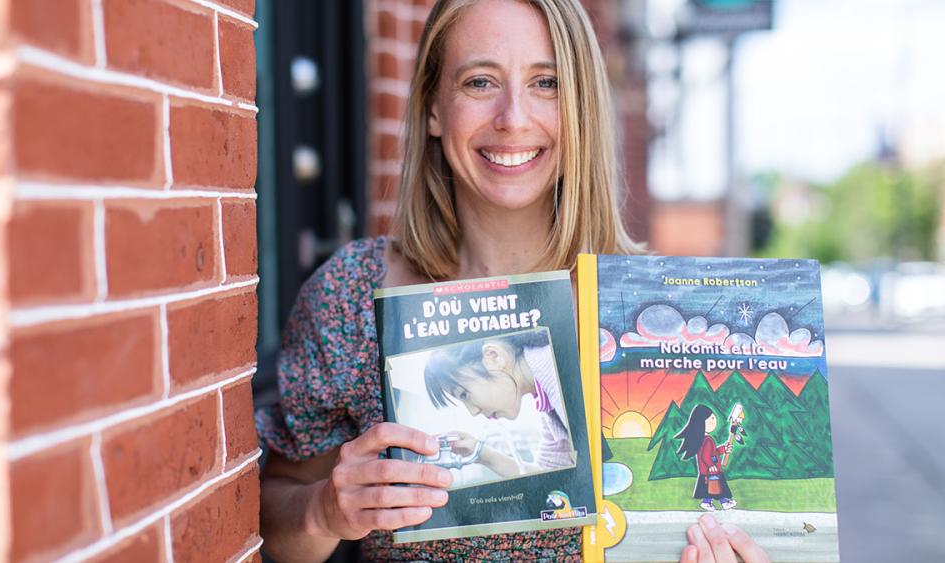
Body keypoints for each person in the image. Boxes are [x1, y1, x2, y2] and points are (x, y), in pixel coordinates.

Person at [257, 0, 770, 561]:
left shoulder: (656, 311)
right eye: (480, 81)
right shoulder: (354, 295)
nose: (513, 118)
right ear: (433, 107)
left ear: (581, 108)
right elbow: (276, 519)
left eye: (546, 82)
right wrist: (323, 511)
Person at [423, 329, 574, 477]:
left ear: (493, 357)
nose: (473, 412)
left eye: (464, 395)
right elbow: (549, 477)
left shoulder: (562, 377)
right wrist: (480, 453)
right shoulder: (548, 400)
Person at [675, 404, 737, 512]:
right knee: (717, 487)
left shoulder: (705, 439)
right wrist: (711, 465)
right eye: (712, 418)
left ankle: (709, 502)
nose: (715, 420)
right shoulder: (706, 440)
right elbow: (705, 456)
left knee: (713, 488)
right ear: (702, 422)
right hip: (710, 470)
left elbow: (714, 452)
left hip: (710, 470)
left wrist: (724, 449)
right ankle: (722, 502)